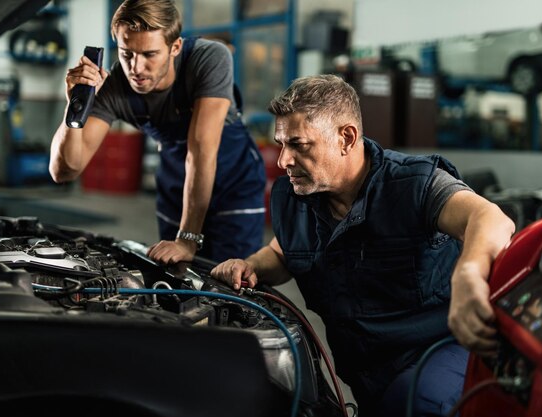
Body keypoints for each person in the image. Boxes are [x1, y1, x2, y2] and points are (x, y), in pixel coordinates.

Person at [210, 74, 515, 417]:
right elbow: (283, 252)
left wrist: (469, 276)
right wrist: (251, 265)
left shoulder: (412, 184)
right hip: (366, 373)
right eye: (281, 144)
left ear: (346, 137)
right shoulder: (296, 197)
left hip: (438, 354)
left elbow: (490, 219)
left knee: (420, 401)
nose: (283, 160)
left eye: (299, 144)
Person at [49, 0, 266, 263]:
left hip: (233, 181)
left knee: (232, 276)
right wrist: (75, 106)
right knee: (175, 276)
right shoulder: (114, 85)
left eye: (149, 54)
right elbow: (64, 171)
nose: (136, 69)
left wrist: (187, 239)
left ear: (175, 47)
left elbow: (201, 150)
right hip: (176, 180)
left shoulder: (209, 58)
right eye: (126, 53)